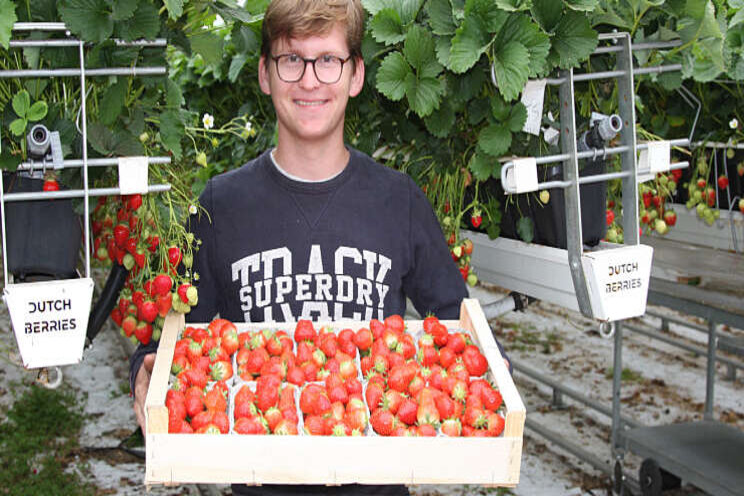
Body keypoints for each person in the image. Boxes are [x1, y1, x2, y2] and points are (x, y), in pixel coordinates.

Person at [130, 1, 509, 495]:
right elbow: (179, 337)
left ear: (356, 74)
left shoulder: (398, 201)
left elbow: (460, 325)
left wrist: (494, 370)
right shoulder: (219, 207)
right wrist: (144, 365)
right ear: (265, 73)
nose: (310, 80)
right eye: (292, 59)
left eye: (328, 59)